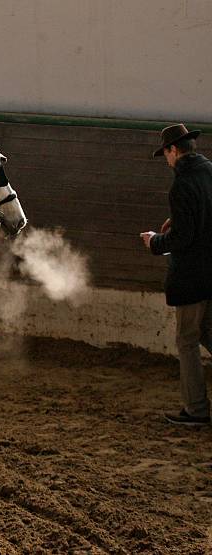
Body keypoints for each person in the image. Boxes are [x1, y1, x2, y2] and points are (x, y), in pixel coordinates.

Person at [140, 123, 212, 426]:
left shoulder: (181, 185)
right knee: (208, 331)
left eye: (166, 154)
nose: (167, 160)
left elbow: (182, 238)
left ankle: (196, 409)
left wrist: (155, 241)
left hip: (194, 275)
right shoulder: (208, 171)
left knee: (187, 340)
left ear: (173, 150)